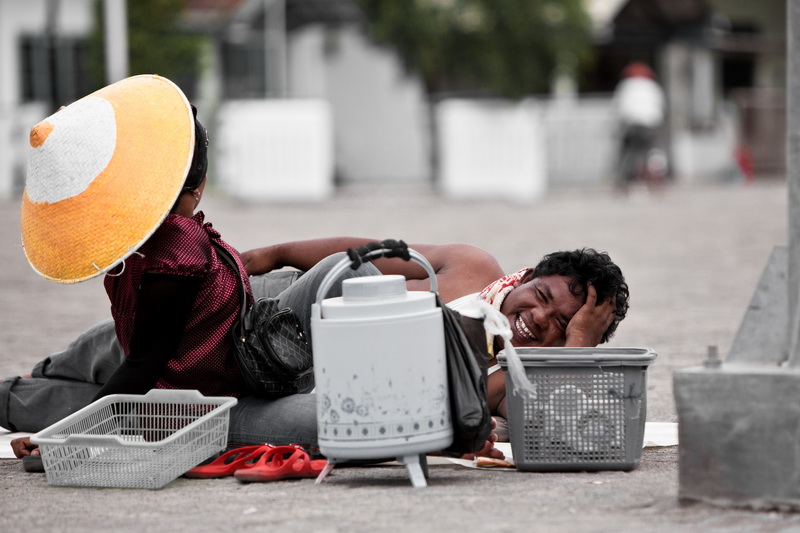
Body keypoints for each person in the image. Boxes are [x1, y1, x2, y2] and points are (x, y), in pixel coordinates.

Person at [612, 61, 667, 191]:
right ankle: (653, 179)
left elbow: (618, 107)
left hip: (632, 124)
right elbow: (661, 106)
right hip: (650, 124)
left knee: (628, 153)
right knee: (651, 152)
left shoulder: (626, 85)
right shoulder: (653, 86)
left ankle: (623, 182)